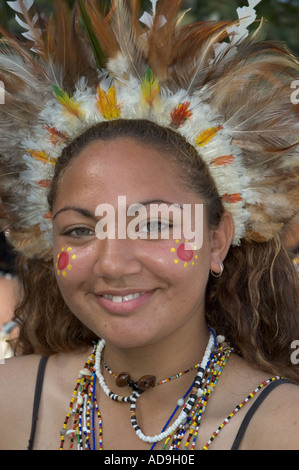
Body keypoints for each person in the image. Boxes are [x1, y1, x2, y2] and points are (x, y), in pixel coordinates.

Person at [0, 0, 299, 451]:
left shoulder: (281, 427)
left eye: (155, 224)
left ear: (217, 241)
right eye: (80, 231)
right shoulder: (12, 400)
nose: (113, 263)